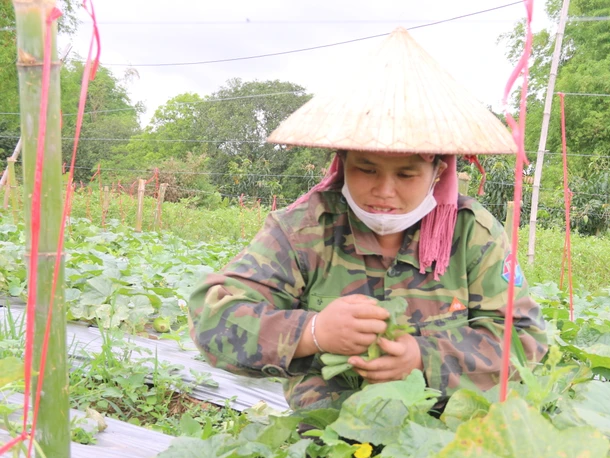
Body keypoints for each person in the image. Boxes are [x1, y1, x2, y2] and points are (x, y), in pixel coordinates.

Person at [188, 28, 547, 421]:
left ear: (437, 172)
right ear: (343, 164)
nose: (384, 191)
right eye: (366, 169)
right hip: (330, 439)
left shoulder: (470, 233)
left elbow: (525, 341)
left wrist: (422, 358)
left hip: (448, 430)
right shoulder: (303, 230)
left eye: (407, 175)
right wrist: (313, 333)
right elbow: (212, 323)